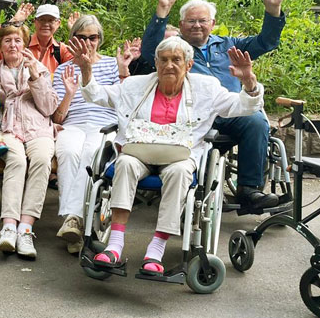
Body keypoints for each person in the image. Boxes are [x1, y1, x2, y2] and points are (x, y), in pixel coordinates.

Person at [73, 35, 264, 275]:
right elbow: (96, 95)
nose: (169, 65)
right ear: (156, 63)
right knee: (125, 163)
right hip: (139, 151)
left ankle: (156, 249)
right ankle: (114, 245)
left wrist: (248, 81)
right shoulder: (135, 85)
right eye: (163, 60)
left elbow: (244, 107)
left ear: (189, 64)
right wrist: (86, 69)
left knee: (180, 171)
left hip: (180, 156)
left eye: (176, 59)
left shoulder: (207, 88)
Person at [140, 0, 287, 211]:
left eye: (202, 20)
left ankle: (249, 190)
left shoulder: (230, 45)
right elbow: (149, 50)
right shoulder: (175, 50)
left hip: (230, 111)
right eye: (191, 21)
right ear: (181, 25)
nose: (197, 25)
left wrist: (273, 10)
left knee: (257, 121)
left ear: (213, 22)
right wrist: (162, 11)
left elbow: (266, 42)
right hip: (192, 115)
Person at [52, 15, 141, 254]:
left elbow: (126, 105)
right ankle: (75, 223)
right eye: (81, 37)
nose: (87, 42)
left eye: (92, 37)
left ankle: (72, 220)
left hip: (105, 126)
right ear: (72, 41)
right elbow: (58, 118)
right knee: (68, 152)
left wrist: (124, 72)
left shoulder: (114, 64)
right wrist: (70, 94)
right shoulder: (63, 70)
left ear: (99, 40)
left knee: (92, 153)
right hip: (74, 125)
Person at [0, 21, 59, 259]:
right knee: (17, 161)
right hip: (7, 129)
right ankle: (9, 227)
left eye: (18, 40)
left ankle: (26, 229)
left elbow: (49, 107)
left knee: (42, 160)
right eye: (7, 40)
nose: (13, 44)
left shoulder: (38, 68)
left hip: (38, 128)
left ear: (25, 44)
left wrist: (35, 76)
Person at [0, 3, 74, 74]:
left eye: (51, 20)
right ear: (35, 22)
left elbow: (80, 64)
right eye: (42, 19)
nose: (46, 24)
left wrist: (76, 33)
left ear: (58, 23)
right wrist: (13, 21)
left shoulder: (61, 50)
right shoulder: (21, 44)